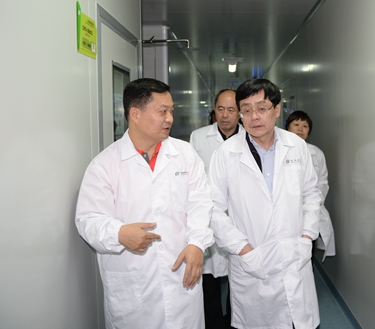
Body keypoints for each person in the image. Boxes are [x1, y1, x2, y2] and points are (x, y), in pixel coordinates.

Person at [75, 78, 214, 329]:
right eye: (162, 111)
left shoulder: (184, 154)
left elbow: (200, 203)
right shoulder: (104, 165)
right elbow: (88, 219)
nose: (170, 118)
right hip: (133, 288)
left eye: (171, 111)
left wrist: (196, 243)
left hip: (181, 282)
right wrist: (118, 233)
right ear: (135, 114)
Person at [208, 78, 322, 329]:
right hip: (252, 262)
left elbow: (312, 193)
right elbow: (213, 209)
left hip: (295, 255)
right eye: (246, 110)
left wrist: (307, 236)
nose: (254, 117)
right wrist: (242, 249)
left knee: (298, 321)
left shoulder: (296, 146)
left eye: (262, 108)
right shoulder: (226, 154)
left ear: (277, 109)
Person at [190, 89, 243, 328]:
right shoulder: (198, 137)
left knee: (239, 282)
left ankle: (234, 323)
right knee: (208, 282)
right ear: (214, 110)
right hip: (209, 217)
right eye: (220, 109)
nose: (225, 115)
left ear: (240, 113)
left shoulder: (250, 137)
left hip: (240, 219)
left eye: (231, 110)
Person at [286, 111, 336, 261]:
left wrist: (313, 202)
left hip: (309, 211)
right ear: (287, 128)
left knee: (307, 253)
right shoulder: (279, 151)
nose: (300, 129)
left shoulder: (316, 153)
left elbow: (322, 181)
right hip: (286, 213)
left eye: (305, 126)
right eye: (296, 124)